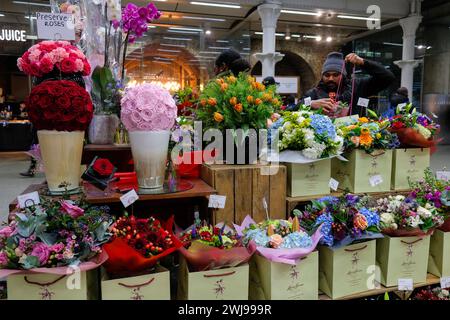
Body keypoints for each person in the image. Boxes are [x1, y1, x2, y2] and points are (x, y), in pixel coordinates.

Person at [303, 52, 395, 116]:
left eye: (336, 75)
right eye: (327, 75)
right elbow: (293, 108)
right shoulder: (314, 93)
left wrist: (363, 63)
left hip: (354, 139)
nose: (331, 78)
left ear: (343, 75)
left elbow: (388, 78)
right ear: (322, 76)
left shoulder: (358, 86)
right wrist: (310, 103)